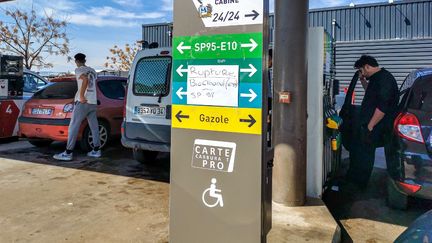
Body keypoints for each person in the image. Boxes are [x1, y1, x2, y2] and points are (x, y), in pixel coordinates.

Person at [345, 55, 399, 188]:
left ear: (367, 66)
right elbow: (371, 94)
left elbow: (382, 107)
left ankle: (360, 183)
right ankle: (356, 178)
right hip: (372, 124)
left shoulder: (384, 79)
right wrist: (362, 81)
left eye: (362, 70)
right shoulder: (377, 79)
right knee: (361, 151)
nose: (362, 73)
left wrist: (370, 126)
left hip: (376, 125)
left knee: (366, 154)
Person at [53, 53, 101, 161]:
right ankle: (96, 150)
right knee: (94, 126)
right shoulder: (93, 70)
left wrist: (81, 96)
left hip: (83, 102)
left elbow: (85, 80)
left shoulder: (79, 70)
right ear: (85, 60)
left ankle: (68, 152)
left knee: (73, 126)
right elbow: (92, 82)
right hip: (93, 102)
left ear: (76, 61)